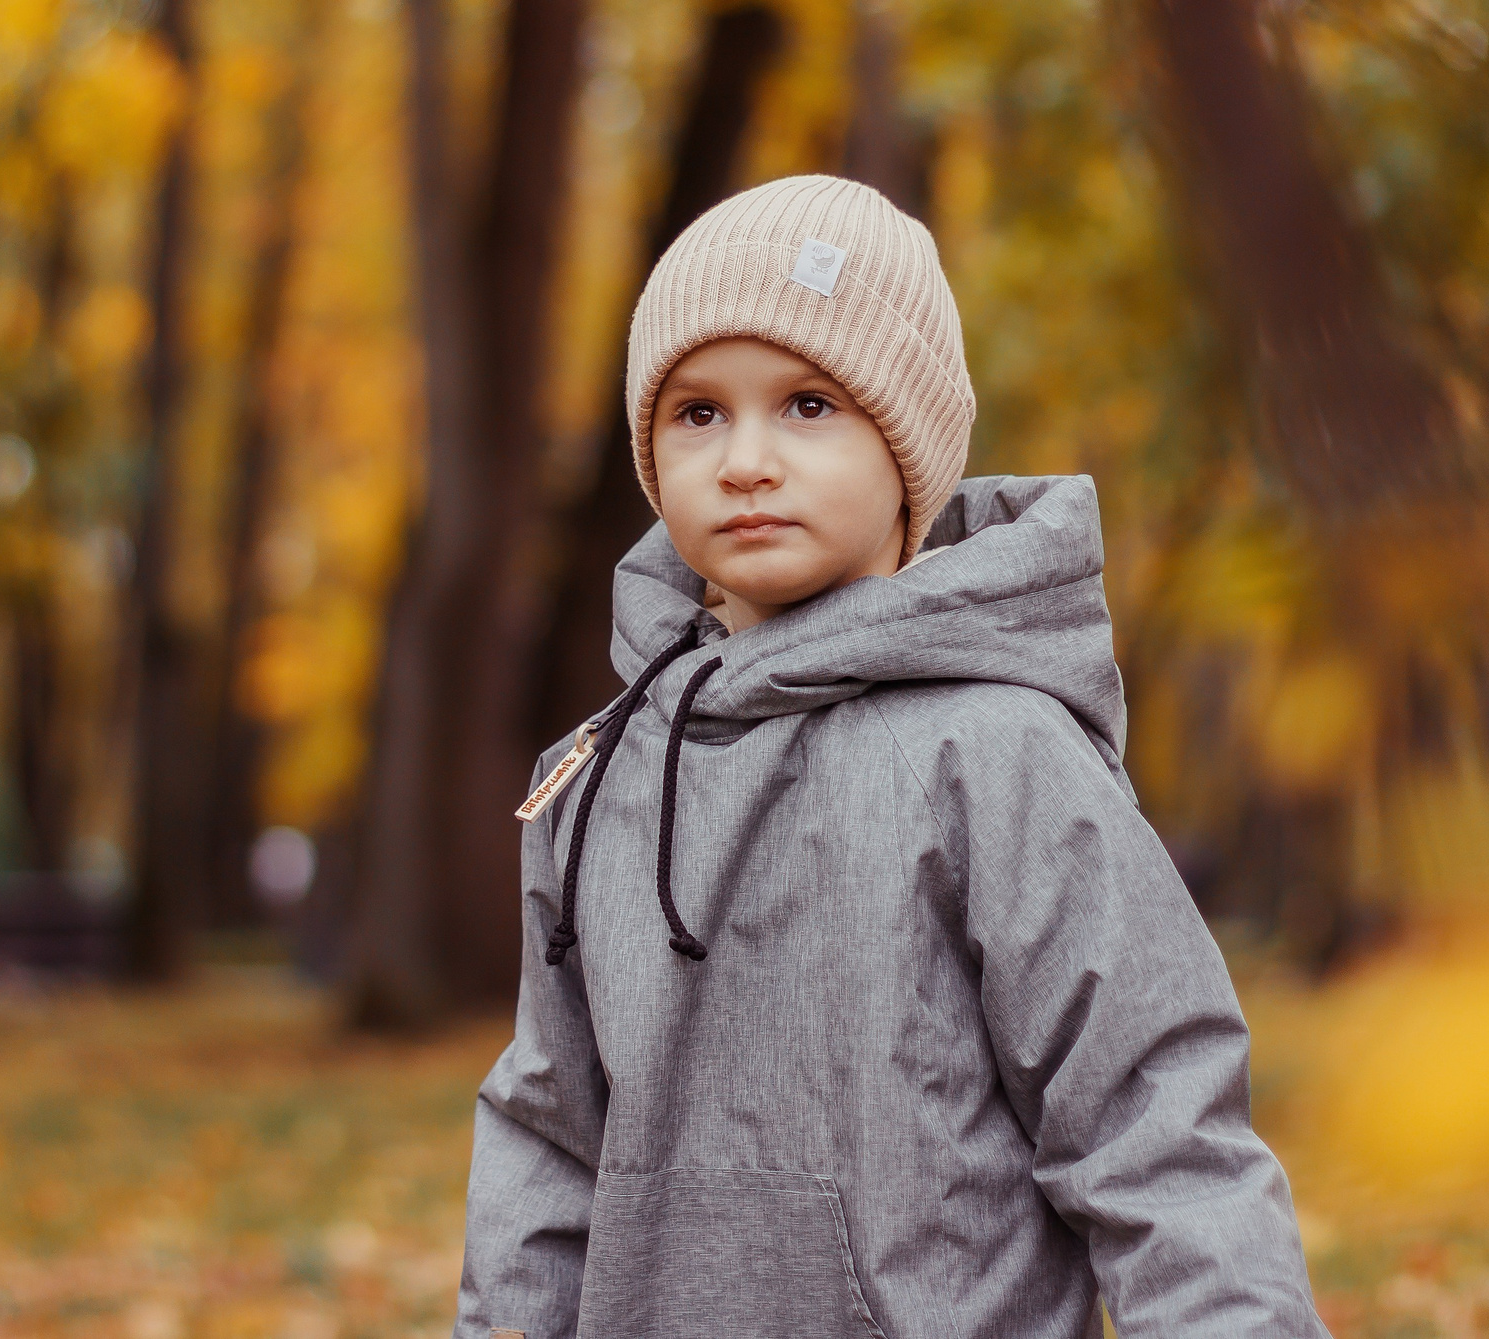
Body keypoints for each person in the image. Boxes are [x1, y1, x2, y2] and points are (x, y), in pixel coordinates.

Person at [457, 174, 1328, 1339]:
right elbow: (547, 1131)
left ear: (906, 448)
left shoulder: (998, 750)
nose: (746, 459)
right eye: (697, 412)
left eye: (808, 405)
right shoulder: (599, 772)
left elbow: (1152, 1124)